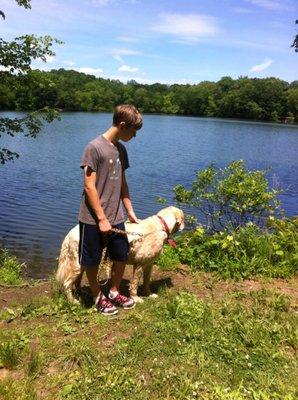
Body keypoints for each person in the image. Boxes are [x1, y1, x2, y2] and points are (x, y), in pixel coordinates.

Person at [78, 104, 143, 315]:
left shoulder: (121, 150)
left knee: (121, 255)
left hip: (116, 216)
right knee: (92, 259)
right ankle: (97, 295)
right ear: (122, 125)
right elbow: (89, 186)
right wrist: (101, 218)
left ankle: (114, 292)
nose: (134, 136)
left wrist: (130, 211)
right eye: (133, 131)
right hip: (93, 218)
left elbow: (123, 183)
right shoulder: (94, 147)